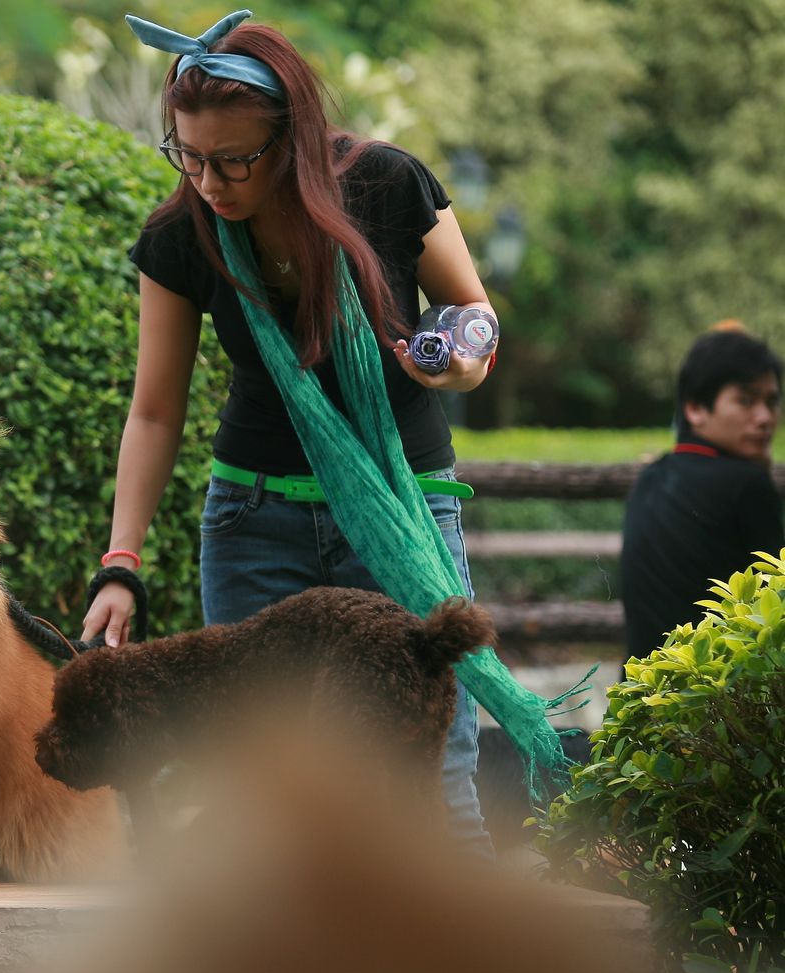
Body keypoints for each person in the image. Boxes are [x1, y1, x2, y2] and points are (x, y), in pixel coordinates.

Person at [81, 10, 543, 856]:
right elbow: (154, 411)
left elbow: (475, 313)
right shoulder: (181, 236)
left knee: (434, 783)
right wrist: (122, 563)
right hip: (255, 528)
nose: (210, 183)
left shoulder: (388, 187)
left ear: (292, 137)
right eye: (189, 156)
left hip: (403, 516)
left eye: (234, 160)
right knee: (264, 792)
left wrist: (459, 364)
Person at [622, 326, 783, 658]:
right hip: (716, 698)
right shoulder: (746, 483)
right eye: (746, 400)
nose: (765, 418)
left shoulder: (651, 477)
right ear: (695, 408)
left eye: (771, 401)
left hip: (642, 690)